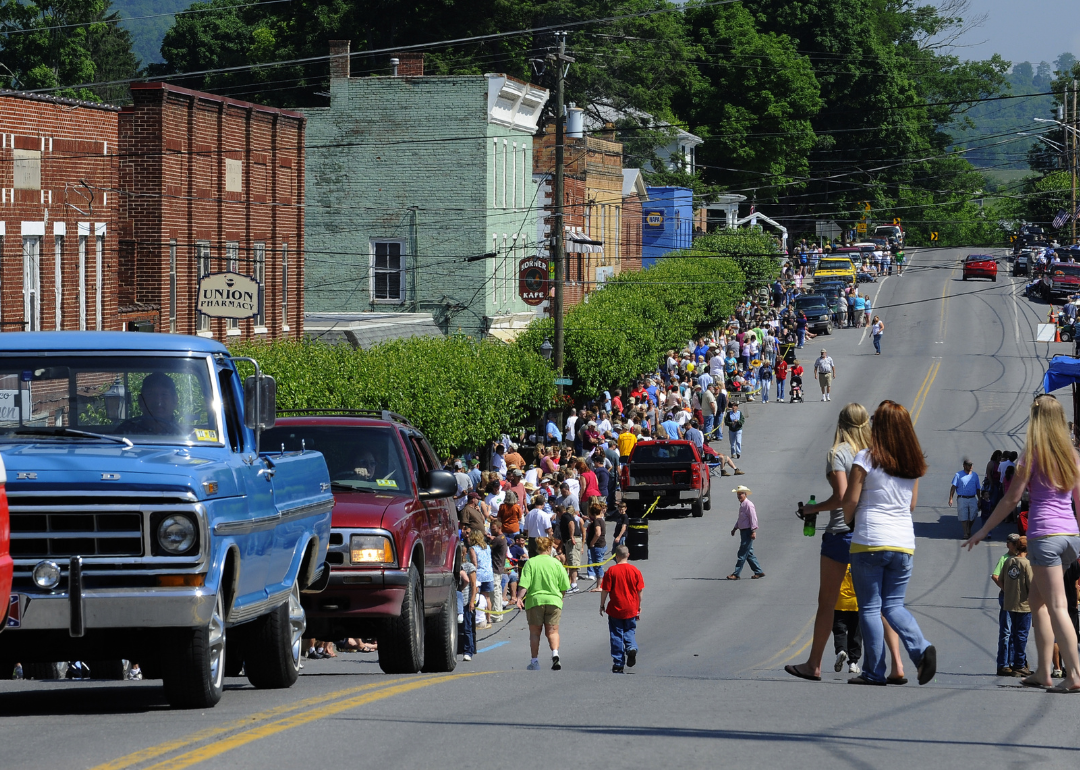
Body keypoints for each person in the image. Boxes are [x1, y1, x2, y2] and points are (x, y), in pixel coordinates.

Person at [965, 395, 1080, 691]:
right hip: (1070, 536)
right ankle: (1043, 671)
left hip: (1044, 537)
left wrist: (982, 530)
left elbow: (1011, 499)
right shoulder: (1073, 454)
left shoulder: (1033, 455)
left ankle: (1075, 675)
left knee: (1057, 606)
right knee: (1039, 603)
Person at [843, 400, 936, 687]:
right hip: (903, 543)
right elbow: (911, 505)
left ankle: (874, 670)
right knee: (893, 604)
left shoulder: (865, 458)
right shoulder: (913, 464)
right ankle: (920, 648)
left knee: (869, 607)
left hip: (870, 539)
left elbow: (851, 502)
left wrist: (851, 523)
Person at [515, 535, 571, 670]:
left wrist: (518, 598)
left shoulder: (531, 563)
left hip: (535, 600)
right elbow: (565, 585)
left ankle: (534, 661)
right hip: (554, 600)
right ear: (550, 547)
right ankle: (555, 654)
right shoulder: (556, 563)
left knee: (535, 632)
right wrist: (560, 597)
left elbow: (524, 584)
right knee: (553, 631)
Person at [600, 545, 645, 674]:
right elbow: (639, 590)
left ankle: (618, 662)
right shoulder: (635, 570)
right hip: (631, 607)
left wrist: (602, 605)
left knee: (616, 634)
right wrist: (638, 605)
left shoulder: (611, 571)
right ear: (628, 555)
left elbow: (605, 590)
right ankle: (631, 647)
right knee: (630, 629)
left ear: (616, 556)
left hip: (616, 608)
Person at [1002, 535, 1034, 677]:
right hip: (1024, 604)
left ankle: (1016, 661)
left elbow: (1001, 579)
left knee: (1014, 634)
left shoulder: (1009, 561)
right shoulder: (1027, 564)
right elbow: (1032, 585)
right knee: (1021, 635)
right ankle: (1019, 664)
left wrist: (1009, 592)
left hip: (1010, 602)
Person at [117, 372, 182, 435]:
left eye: (164, 394)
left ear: (175, 400)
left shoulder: (185, 436)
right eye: (151, 394)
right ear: (141, 401)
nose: (158, 401)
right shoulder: (125, 432)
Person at [727, 485, 764, 580]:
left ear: (745, 494)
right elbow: (741, 519)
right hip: (743, 531)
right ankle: (758, 571)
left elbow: (753, 518)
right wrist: (735, 528)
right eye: (738, 494)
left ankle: (736, 574)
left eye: (741, 494)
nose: (739, 496)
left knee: (742, 553)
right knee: (749, 553)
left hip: (748, 531)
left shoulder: (748, 505)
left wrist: (753, 531)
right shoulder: (742, 505)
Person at [833, 565, 862, 676]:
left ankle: (841, 650)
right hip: (857, 603)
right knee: (855, 634)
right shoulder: (859, 563)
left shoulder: (839, 563)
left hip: (839, 602)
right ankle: (853, 663)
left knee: (839, 630)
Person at [948, 458, 982, 540]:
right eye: (969, 465)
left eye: (971, 465)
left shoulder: (975, 475)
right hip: (962, 498)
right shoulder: (958, 475)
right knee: (963, 516)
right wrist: (951, 498)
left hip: (972, 498)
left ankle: (968, 528)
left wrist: (979, 498)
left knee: (973, 515)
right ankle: (965, 533)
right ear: (964, 466)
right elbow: (953, 487)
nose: (970, 466)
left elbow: (978, 488)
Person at [458, 543, 478, 662]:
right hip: (456, 601)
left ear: (464, 553)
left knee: (467, 627)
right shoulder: (454, 565)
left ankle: (468, 651)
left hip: (466, 600)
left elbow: (474, 585)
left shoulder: (469, 566)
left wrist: (472, 601)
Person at [586, 504, 608, 588]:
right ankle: (600, 584)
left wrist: (592, 543)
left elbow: (597, 533)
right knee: (598, 565)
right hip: (601, 545)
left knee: (598, 565)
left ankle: (599, 586)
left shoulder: (597, 521)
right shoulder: (600, 520)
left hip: (598, 546)